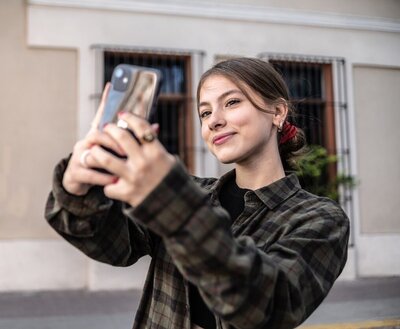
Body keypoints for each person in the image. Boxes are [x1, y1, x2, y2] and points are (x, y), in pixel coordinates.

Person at [45, 57, 349, 329]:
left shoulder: (320, 219)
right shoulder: (194, 193)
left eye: (231, 103)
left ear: (277, 112)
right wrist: (77, 189)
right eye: (204, 112)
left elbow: (269, 306)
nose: (214, 120)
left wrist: (173, 204)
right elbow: (110, 245)